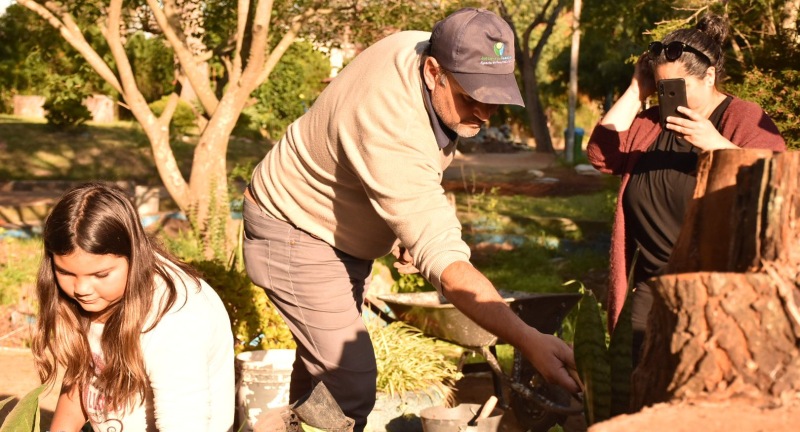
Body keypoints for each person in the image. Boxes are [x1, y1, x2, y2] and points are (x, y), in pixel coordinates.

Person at [242, 7, 580, 429]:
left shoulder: (424, 47)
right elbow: (441, 252)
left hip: (333, 227)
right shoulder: (391, 120)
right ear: (434, 71)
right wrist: (528, 339)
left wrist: (399, 223)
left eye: (494, 98)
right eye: (472, 98)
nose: (485, 113)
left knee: (322, 374)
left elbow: (403, 172)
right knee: (350, 380)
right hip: (296, 230)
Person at [586, 14, 786, 362]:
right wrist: (637, 88)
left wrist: (717, 144)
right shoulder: (652, 123)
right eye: (662, 86)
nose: (669, 95)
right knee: (635, 389)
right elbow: (601, 156)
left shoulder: (740, 118)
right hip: (650, 287)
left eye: (679, 86)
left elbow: (777, 179)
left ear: (709, 77)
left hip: (713, 292)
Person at [31, 183, 235, 432]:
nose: (81, 288)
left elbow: (183, 423)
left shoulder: (176, 320)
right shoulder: (100, 292)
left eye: (101, 274)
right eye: (65, 272)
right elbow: (83, 376)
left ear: (134, 255)